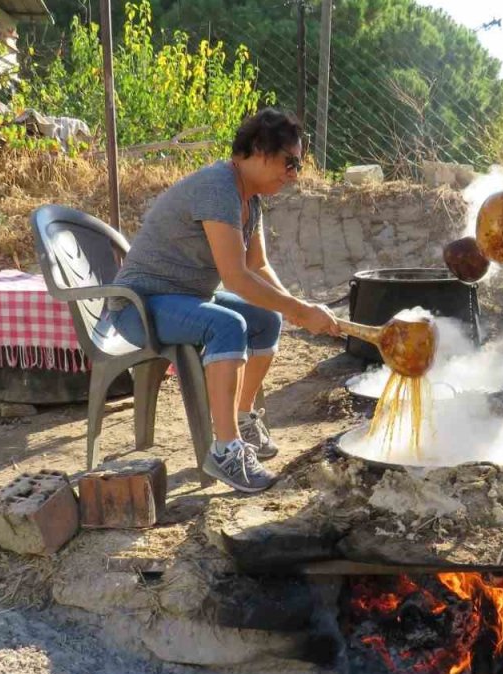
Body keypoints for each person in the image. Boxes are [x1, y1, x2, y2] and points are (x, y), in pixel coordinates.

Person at [102, 108, 339, 493]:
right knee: (228, 325)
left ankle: (242, 417)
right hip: (140, 305)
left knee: (267, 319)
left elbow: (258, 265)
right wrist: (299, 310)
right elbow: (235, 277)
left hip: (184, 298)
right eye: (290, 162)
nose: (294, 174)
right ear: (260, 150)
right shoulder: (218, 187)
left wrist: (294, 308)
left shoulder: (251, 198)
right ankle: (225, 450)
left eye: (298, 164)